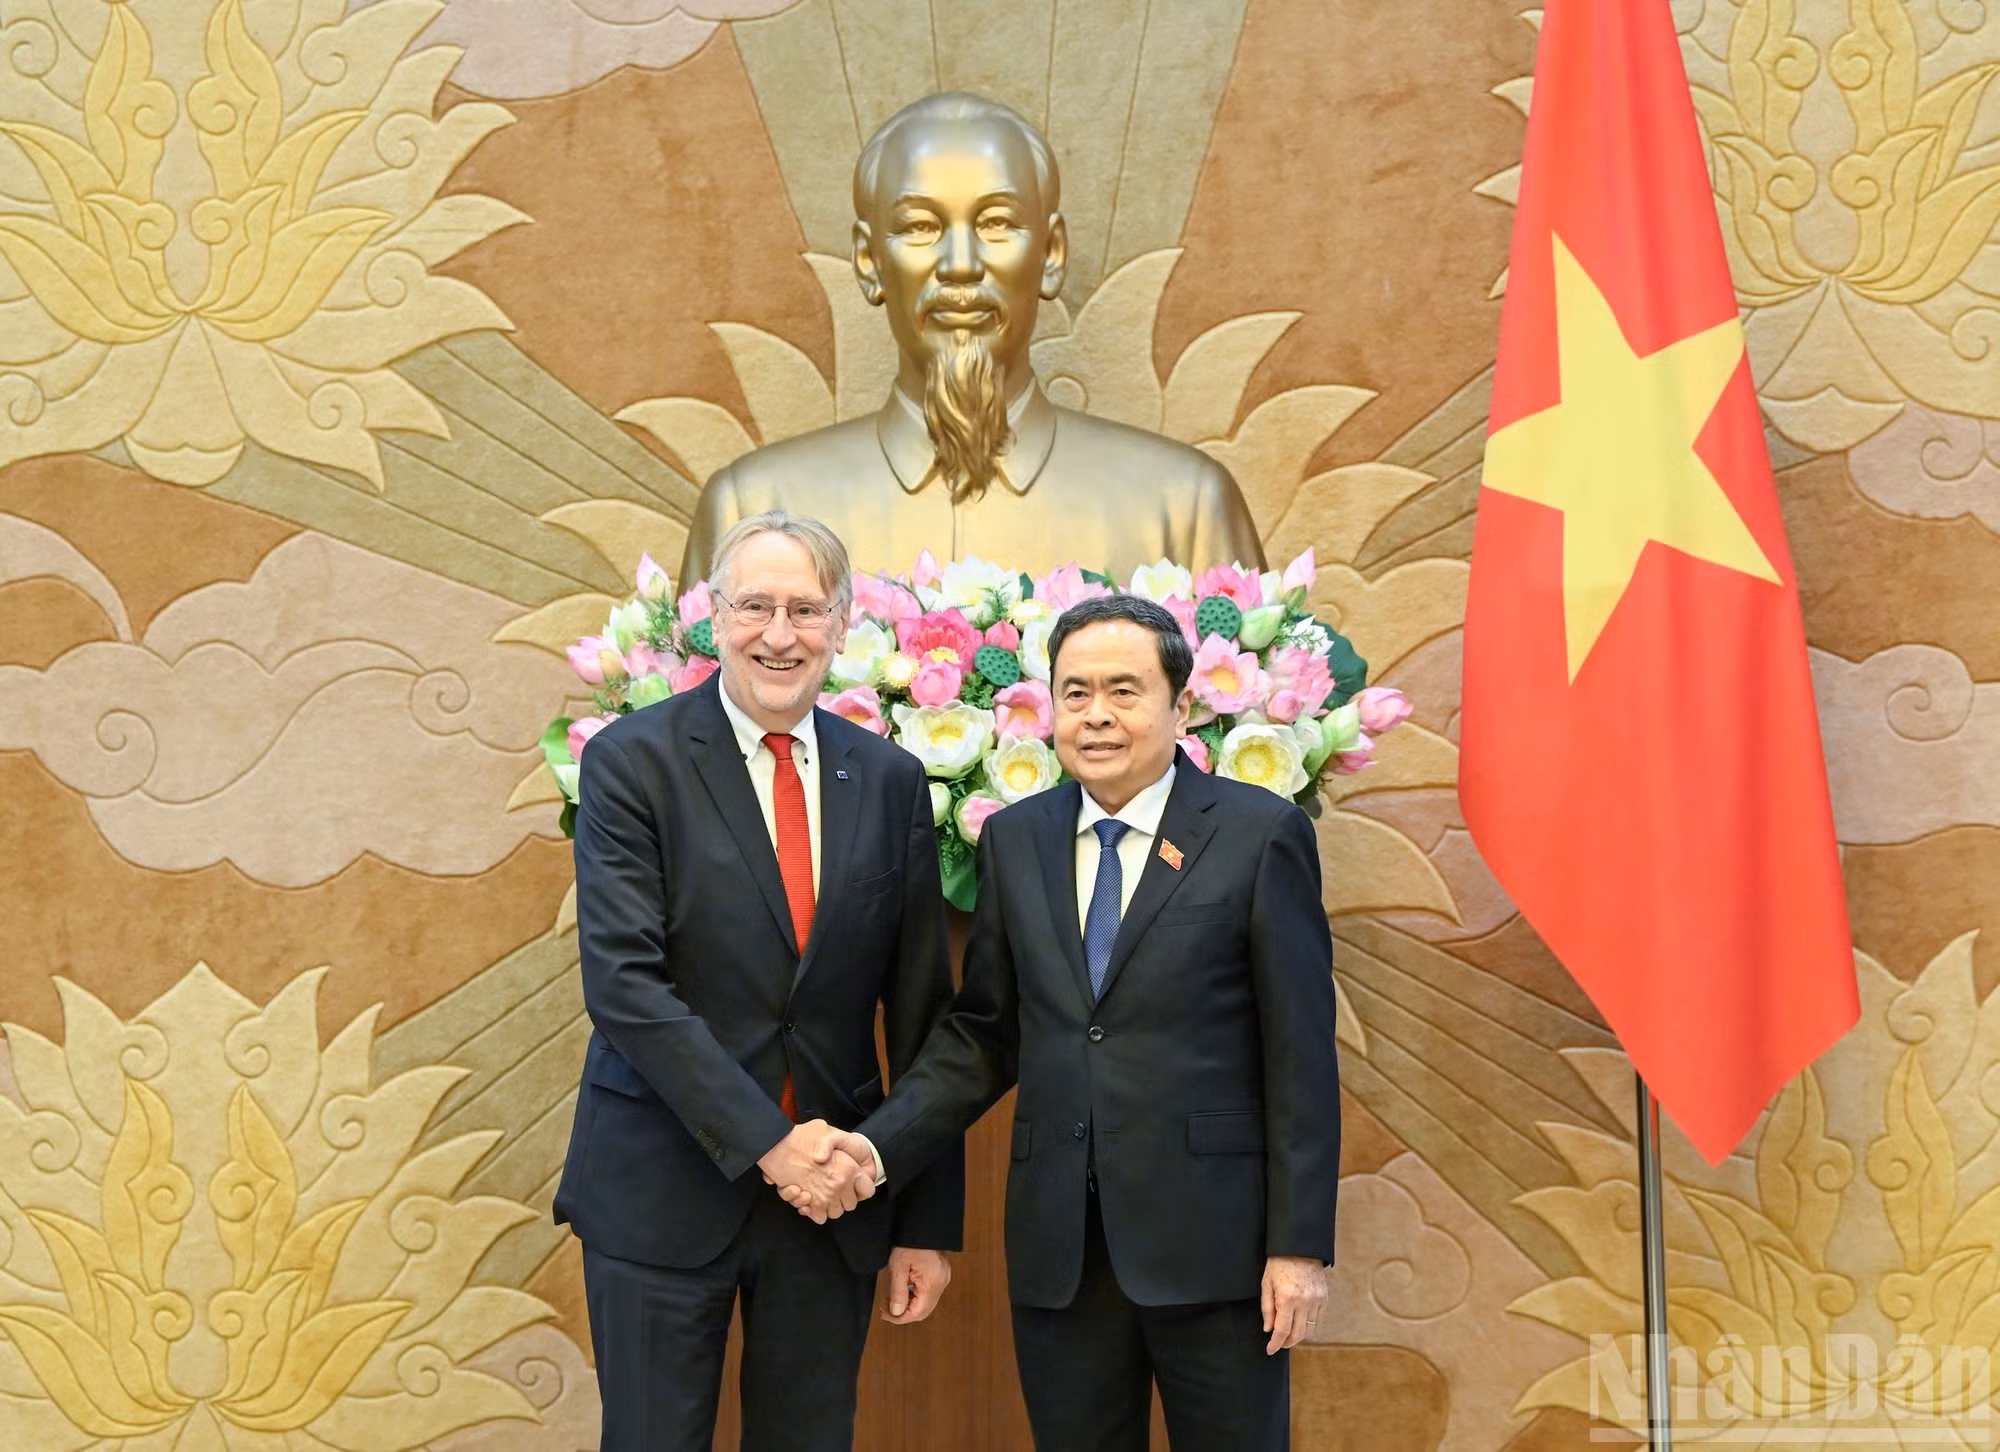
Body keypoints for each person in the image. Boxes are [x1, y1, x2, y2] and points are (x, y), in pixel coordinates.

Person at [803, 594, 1341, 1451]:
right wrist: (876, 1149)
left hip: (1218, 1250)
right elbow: (986, 1033)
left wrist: (1300, 1248)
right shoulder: (1016, 840)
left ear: (1182, 705)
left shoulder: (1257, 834)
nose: (1097, 715)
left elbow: (1302, 1055)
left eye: (1124, 691)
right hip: (1063, 1250)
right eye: (1076, 692)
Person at [553, 511, 964, 1451]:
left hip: (833, 1201)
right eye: (756, 607)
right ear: (714, 619)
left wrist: (921, 1220)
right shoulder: (631, 763)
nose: (780, 634)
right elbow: (625, 986)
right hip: (660, 1182)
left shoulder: (892, 779)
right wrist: (772, 1145)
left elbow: (919, 1013)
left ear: (842, 625)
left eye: (807, 610)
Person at [679, 91, 1265, 586]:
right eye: (919, 227)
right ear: (868, 261)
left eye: (996, 224)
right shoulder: (752, 509)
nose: (960, 265)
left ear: (1052, 254)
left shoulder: (1186, 510)